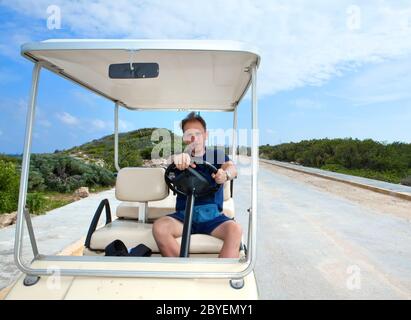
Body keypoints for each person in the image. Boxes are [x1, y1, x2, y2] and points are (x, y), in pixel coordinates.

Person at [152, 112, 241, 258]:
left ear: (206, 135)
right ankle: (182, 273)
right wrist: (177, 159)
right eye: (189, 134)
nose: (194, 138)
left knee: (235, 230)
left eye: (198, 134)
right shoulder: (180, 158)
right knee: (160, 227)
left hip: (212, 217)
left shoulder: (216, 155)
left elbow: (231, 167)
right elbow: (169, 162)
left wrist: (225, 175)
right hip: (184, 216)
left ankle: (219, 278)